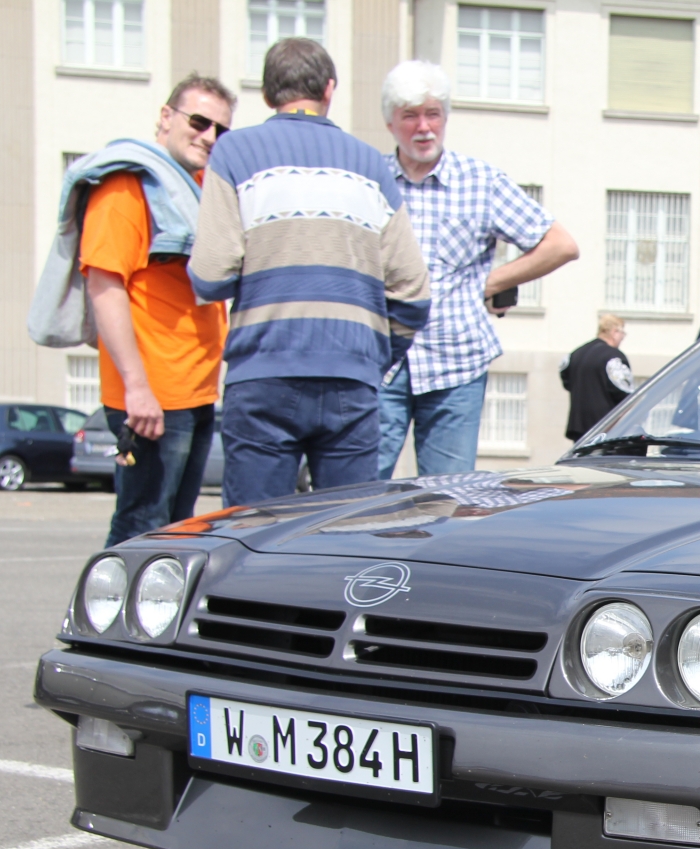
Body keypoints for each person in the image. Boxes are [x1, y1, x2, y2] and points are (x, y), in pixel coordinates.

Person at [187, 38, 430, 507]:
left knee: (252, 534)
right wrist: (376, 355)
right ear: (329, 89)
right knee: (344, 535)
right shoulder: (370, 165)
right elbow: (413, 292)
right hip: (351, 375)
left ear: (267, 94)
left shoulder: (234, 153)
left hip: (264, 369)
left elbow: (211, 274)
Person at [375, 61, 579, 479]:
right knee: (357, 491)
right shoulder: (373, 181)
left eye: (433, 114)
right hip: (382, 361)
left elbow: (560, 245)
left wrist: (489, 283)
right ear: (390, 123)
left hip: (456, 361)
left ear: (446, 117)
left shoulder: (480, 181)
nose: (424, 127)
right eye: (410, 116)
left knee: (448, 497)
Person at [68, 74, 235, 545]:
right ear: (166, 117)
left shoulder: (196, 188)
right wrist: (137, 389)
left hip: (195, 392)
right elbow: (105, 284)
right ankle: (107, 621)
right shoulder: (128, 186)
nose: (209, 136)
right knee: (141, 528)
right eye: (199, 122)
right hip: (153, 398)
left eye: (222, 130)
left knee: (175, 531)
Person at [561, 314, 633, 442]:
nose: (622, 338)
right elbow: (624, 394)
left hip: (578, 429)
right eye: (622, 333)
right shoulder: (613, 357)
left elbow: (566, 381)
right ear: (614, 332)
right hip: (605, 429)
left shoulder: (575, 354)